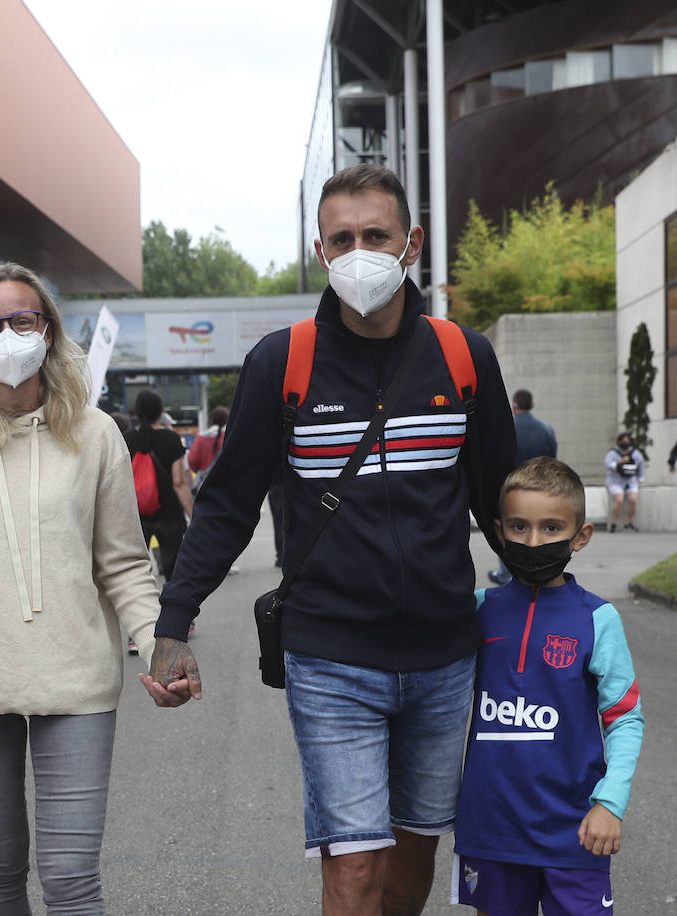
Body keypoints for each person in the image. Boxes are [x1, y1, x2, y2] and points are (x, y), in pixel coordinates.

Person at [144, 164, 516, 914]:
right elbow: (226, 508)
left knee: (411, 869)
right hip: (331, 658)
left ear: (410, 244)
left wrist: (559, 611)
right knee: (354, 869)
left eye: (375, 235)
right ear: (320, 251)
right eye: (341, 239)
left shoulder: (463, 356)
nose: (359, 253)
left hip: (445, 655)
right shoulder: (284, 362)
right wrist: (173, 623)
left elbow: (501, 499)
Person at [0, 263, 179, 915]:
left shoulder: (95, 433)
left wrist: (157, 645)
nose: (7, 335)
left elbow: (124, 563)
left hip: (76, 679)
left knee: (71, 878)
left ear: (49, 331)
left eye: (23, 319)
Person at [454, 457, 645, 915]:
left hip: (576, 829)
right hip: (492, 830)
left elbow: (624, 718)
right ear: (499, 531)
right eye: (519, 527)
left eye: (551, 528)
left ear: (581, 536)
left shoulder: (598, 619)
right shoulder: (477, 609)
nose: (533, 541)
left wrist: (610, 803)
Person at [489, 389, 558, 583]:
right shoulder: (546, 429)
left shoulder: (504, 429)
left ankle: (506, 572)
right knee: (540, 530)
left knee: (511, 530)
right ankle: (539, 568)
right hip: (541, 490)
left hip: (512, 491)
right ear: (532, 405)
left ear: (514, 406)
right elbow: (553, 461)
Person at [126, 388, 194, 582]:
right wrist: (193, 515)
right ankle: (171, 609)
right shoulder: (171, 439)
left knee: (135, 573)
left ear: (138, 412)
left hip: (137, 516)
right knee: (173, 572)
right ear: (160, 412)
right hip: (169, 515)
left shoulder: (126, 439)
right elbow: (179, 482)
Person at [604, 432, 645, 533]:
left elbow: (640, 466)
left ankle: (629, 523)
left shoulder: (635, 453)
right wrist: (619, 462)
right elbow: (608, 465)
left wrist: (640, 479)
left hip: (631, 481)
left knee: (633, 499)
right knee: (619, 499)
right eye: (623, 442)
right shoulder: (612, 453)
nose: (625, 444)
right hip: (615, 481)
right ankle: (614, 523)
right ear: (618, 442)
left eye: (627, 442)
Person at [187, 405, 229, 491]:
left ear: (212, 420)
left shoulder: (201, 437)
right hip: (225, 482)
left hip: (204, 483)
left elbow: (192, 460)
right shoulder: (229, 438)